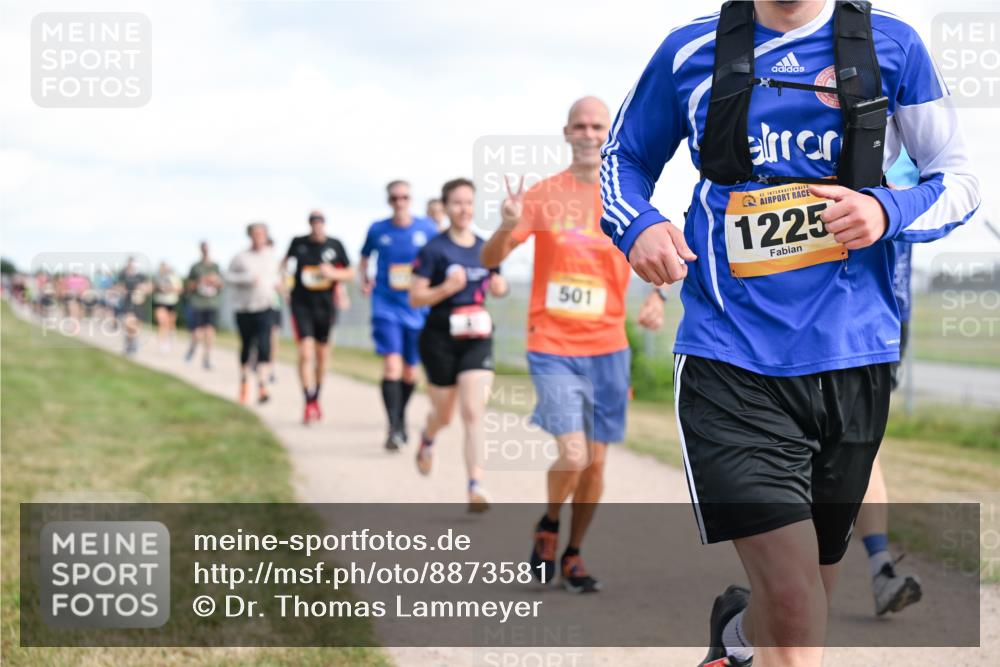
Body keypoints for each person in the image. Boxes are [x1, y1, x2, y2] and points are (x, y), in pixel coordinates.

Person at [601, 1, 979, 665]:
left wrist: (887, 209)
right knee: (801, 603)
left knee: (802, 597)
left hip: (850, 359)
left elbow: (962, 179)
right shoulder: (690, 51)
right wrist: (640, 224)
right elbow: (623, 157)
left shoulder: (891, 45)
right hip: (731, 356)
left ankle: (738, 637)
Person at [481, 96, 666, 594]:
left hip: (609, 347)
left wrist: (657, 298)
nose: (589, 134)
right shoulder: (543, 195)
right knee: (575, 451)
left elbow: (658, 253)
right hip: (553, 343)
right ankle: (548, 522)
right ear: (566, 134)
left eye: (598, 126)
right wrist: (506, 222)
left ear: (610, 135)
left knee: (597, 463)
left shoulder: (628, 198)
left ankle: (573, 553)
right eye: (579, 126)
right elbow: (490, 257)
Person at [410, 178, 508, 511]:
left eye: (468, 202)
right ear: (445, 207)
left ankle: (475, 486)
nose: (463, 209)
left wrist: (500, 287)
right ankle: (428, 437)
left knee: (473, 412)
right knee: (445, 415)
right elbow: (415, 296)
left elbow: (498, 281)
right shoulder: (434, 249)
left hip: (477, 338)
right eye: (456, 203)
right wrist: (447, 288)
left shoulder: (487, 248)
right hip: (439, 338)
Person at [854, 150, 922, 617]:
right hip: (816, 319)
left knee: (861, 447)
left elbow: (952, 199)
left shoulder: (922, 149)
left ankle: (879, 567)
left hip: (885, 324)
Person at [360, 180, 440, 450]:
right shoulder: (378, 229)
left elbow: (439, 257)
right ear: (388, 200)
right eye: (394, 198)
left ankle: (401, 416)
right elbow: (364, 257)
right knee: (392, 365)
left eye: (404, 197)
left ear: (410, 199)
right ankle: (393, 426)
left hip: (418, 309)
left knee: (410, 372)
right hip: (386, 306)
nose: (399, 202)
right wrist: (365, 279)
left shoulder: (426, 229)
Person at [283, 210, 354, 424]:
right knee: (305, 352)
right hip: (301, 304)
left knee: (322, 355)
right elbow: (284, 266)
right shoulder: (298, 243)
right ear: (309, 224)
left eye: (320, 222)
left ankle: (317, 396)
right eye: (313, 222)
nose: (316, 226)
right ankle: (307, 399)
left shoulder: (335, 245)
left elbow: (350, 273)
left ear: (324, 224)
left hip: (326, 306)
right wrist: (284, 285)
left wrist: (333, 275)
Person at [226, 222, 283, 404]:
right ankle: (244, 383)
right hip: (244, 308)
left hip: (266, 306)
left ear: (266, 236)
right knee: (247, 345)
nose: (258, 237)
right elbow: (228, 277)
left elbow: (281, 278)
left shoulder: (273, 257)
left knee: (265, 346)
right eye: (255, 234)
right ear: (250, 236)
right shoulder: (240, 257)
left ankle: (262, 386)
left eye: (262, 234)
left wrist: (282, 288)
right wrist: (246, 279)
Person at [185, 242, 223, 370]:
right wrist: (201, 281)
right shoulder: (195, 267)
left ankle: (207, 358)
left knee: (210, 332)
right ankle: (192, 349)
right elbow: (188, 286)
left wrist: (215, 281)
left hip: (212, 303)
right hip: (198, 303)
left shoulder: (216, 267)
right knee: (197, 333)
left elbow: (222, 285)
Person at [117, 256, 149, 356]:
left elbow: (148, 287)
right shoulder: (123, 275)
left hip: (138, 303)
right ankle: (129, 344)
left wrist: (142, 289)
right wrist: (122, 290)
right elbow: (118, 287)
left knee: (135, 326)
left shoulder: (141, 276)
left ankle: (132, 343)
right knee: (128, 323)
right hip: (127, 302)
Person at [152, 261, 183, 352]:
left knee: (170, 323)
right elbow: (153, 287)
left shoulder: (174, 277)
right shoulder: (157, 277)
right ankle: (162, 343)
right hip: (160, 302)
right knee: (162, 322)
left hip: (171, 302)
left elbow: (179, 289)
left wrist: (169, 289)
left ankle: (170, 336)